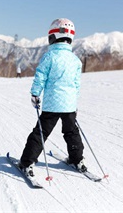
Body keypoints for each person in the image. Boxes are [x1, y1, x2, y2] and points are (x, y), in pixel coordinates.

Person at [19, 18, 86, 178]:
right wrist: (74, 101)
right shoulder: (75, 60)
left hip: (52, 105)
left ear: (53, 36)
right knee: (72, 132)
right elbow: (77, 84)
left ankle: (27, 162)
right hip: (69, 105)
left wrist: (35, 94)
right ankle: (77, 160)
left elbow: (40, 77)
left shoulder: (49, 56)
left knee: (40, 133)